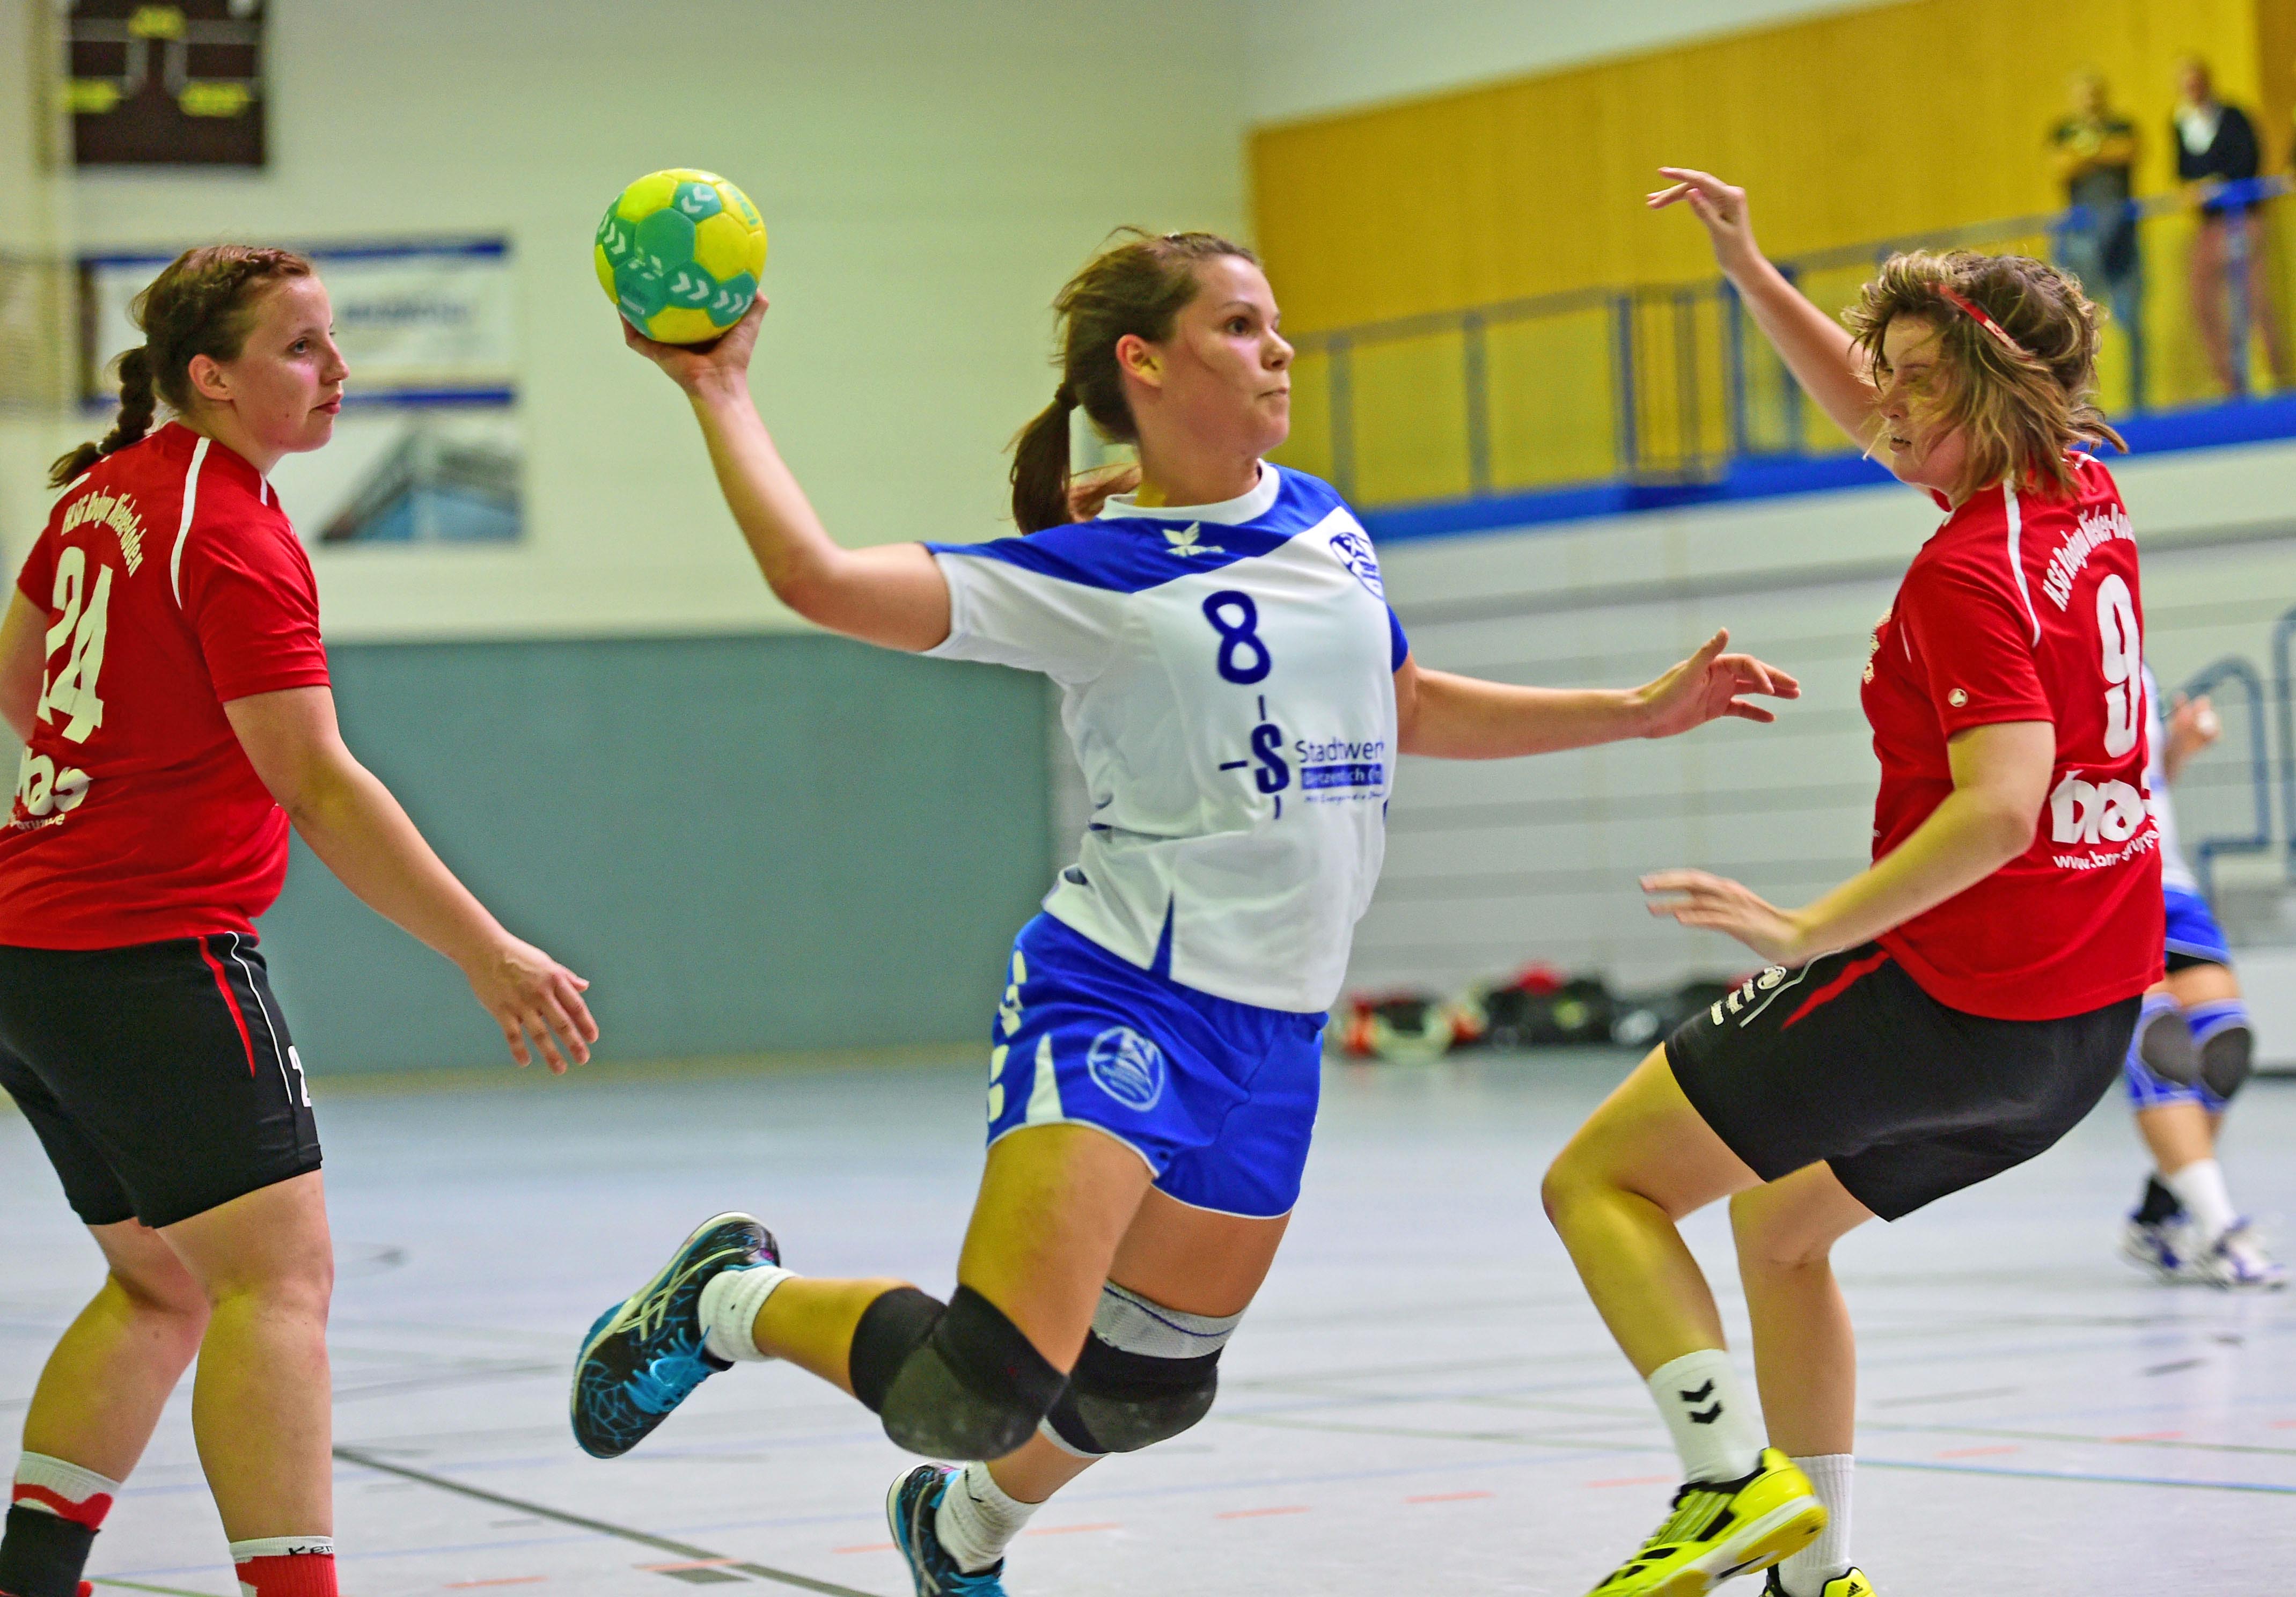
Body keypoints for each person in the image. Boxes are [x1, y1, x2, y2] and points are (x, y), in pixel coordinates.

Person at [568, 228, 1799, 1597]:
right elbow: (818, 579)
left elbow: (1405, 705)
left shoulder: (1325, 522)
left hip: (1276, 1031)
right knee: (978, 1384)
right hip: (1124, 997)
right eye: (1240, 325)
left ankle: (957, 1532)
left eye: (1273, 322)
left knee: (1146, 1388)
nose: (1280, 349)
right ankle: (723, 1300)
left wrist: (1635, 713)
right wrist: (720, 388)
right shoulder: (1091, 576)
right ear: (1144, 364)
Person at [1541, 171, 2162, 1597]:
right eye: (1885, 374)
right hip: (2081, 1028)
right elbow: (1886, 409)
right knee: (1778, 1227)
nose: (1883, 407)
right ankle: (1810, 1576)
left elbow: (1998, 808)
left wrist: (1809, 928)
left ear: (1991, 396)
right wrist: (1749, 268)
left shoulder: (1965, 574)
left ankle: (1722, 1487)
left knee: (1598, 1181)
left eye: (1914, 383)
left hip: (1958, 993)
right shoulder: (2076, 487)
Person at [0, 247, 597, 1597]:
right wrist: (487, 950)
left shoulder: (107, 493)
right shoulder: (228, 530)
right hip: (150, 955)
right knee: (276, 1286)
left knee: (161, 1287)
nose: (338, 371)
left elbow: (21, 673)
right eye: (303, 348)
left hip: (31, 954)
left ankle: (34, 1578)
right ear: (212, 377)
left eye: (331, 343)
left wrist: (114, 773)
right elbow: (319, 784)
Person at [2118, 668, 2282, 1288]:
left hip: (2169, 881)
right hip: (2097, 882)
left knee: (2224, 1048)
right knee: (2159, 1047)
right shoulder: (2033, 644)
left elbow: (2146, 779)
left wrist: (2178, 748)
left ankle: (2157, 1216)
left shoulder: (2133, 661)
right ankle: (2220, 1232)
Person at [2174, 56, 2288, 393]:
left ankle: (2272, 373)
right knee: (2203, 299)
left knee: (2253, 297)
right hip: (2209, 223)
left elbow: (2248, 159)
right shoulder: (2181, 123)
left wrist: (2218, 184)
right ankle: (2227, 381)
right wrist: (2195, 190)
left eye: (2196, 82)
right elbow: (2182, 172)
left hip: (2242, 216)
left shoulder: (2233, 117)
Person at [2050, 70, 2143, 406]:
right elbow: (2061, 166)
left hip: (2122, 236)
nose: (2090, 101)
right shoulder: (2062, 130)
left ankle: (2137, 400)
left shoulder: (2121, 126)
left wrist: (2087, 151)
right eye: (2084, 94)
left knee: (2130, 321)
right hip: (2081, 240)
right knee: (2077, 324)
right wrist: (2094, 152)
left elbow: (2127, 151)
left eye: (2094, 93)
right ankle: (2081, 403)